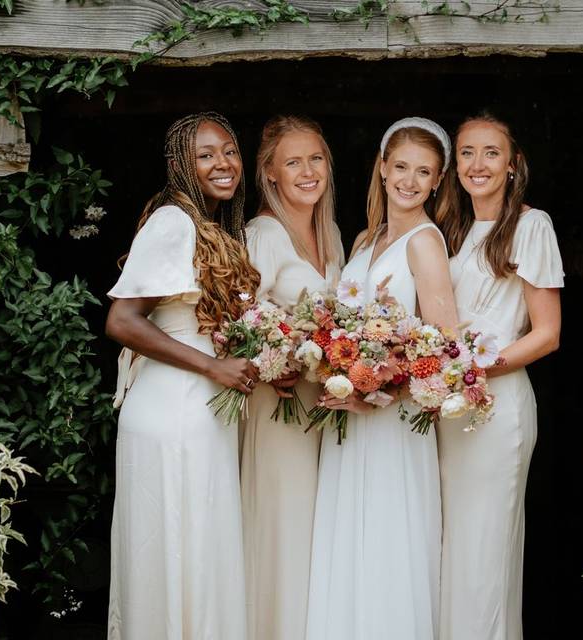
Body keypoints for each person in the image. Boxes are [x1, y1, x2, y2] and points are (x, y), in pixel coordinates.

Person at [105, 112, 260, 640]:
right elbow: (122, 320)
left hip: (200, 408)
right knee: (175, 543)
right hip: (173, 409)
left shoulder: (210, 225)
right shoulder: (174, 220)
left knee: (198, 543)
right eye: (206, 154)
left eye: (230, 150)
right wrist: (215, 365)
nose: (223, 163)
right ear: (181, 165)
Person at [306, 117, 459, 640]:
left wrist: (380, 393)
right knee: (352, 535)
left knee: (389, 537)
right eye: (401, 167)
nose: (409, 181)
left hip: (392, 420)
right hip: (350, 415)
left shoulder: (424, 242)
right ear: (382, 167)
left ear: (438, 181)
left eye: (424, 172)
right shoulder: (365, 239)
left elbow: (442, 347)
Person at [436, 113, 563, 640]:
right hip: (448, 408)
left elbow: (548, 333)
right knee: (453, 545)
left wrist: (477, 369)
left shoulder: (532, 226)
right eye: (467, 153)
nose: (478, 164)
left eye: (491, 153)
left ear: (513, 165)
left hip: (496, 405)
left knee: (486, 549)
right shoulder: (454, 232)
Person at [241, 115, 344, 640]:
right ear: (271, 174)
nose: (308, 172)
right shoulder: (263, 233)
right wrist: (276, 360)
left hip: (324, 407)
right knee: (285, 523)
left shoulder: (330, 234)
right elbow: (240, 318)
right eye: (293, 162)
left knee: (316, 529)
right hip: (280, 405)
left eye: (316, 159)